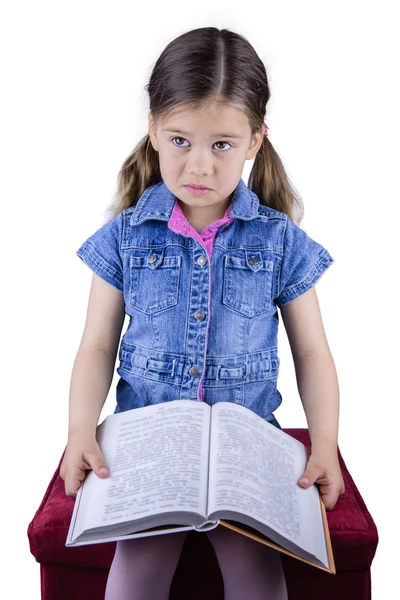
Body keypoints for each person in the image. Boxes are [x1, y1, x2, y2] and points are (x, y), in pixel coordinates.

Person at [60, 26, 345, 600]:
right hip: (148, 442)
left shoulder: (280, 241)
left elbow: (313, 351)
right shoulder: (124, 238)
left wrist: (325, 443)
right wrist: (77, 431)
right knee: (135, 579)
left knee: (258, 578)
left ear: (255, 141)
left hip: (247, 447)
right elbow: (96, 346)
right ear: (153, 133)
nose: (200, 165)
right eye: (180, 140)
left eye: (222, 145)